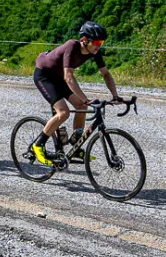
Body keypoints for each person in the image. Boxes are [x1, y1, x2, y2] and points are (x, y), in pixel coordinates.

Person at [31, 21, 121, 166]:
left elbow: (105, 74)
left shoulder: (94, 52)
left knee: (81, 105)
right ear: (85, 40)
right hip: (44, 76)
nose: (99, 45)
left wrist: (115, 96)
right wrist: (86, 99)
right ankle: (38, 144)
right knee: (63, 112)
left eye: (102, 42)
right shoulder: (71, 46)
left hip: (58, 78)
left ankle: (76, 145)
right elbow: (69, 77)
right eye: (97, 41)